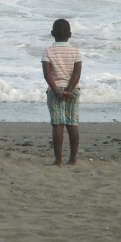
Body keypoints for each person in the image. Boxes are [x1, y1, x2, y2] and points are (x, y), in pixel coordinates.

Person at [41, 19, 82, 167]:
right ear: (70, 35)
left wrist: (57, 91)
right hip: (73, 91)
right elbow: (77, 75)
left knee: (57, 124)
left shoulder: (48, 51)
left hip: (55, 90)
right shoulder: (76, 52)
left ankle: (58, 161)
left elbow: (47, 74)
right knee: (72, 124)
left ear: (52, 34)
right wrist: (69, 90)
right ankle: (72, 159)